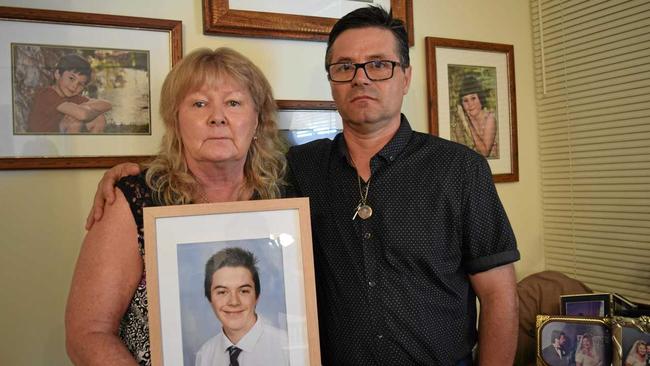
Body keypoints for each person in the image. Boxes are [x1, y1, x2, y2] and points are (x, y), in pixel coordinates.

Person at [85, 6, 519, 365]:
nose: (361, 78)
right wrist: (130, 172)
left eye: (380, 65)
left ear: (405, 77)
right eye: (345, 67)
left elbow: (499, 296)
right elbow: (216, 161)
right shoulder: (298, 170)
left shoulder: (459, 169)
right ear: (331, 80)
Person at [65, 47, 286, 366]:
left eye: (234, 102)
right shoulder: (134, 199)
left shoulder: (286, 195)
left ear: (257, 121)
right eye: (199, 103)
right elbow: (87, 334)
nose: (217, 117)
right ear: (175, 120)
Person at [196, 247, 288, 366]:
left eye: (243, 291)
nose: (234, 302)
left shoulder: (286, 347)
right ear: (210, 299)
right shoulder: (204, 355)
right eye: (222, 292)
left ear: (257, 296)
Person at [26, 53, 111, 133]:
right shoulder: (47, 94)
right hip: (39, 141)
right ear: (57, 74)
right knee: (75, 120)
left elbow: (107, 104)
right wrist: (88, 111)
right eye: (71, 78)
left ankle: (90, 147)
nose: (74, 86)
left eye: (80, 84)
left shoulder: (72, 97)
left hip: (58, 137)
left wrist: (84, 108)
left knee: (99, 119)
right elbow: (82, 115)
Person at [451, 74, 498, 158]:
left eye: (473, 98)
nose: (470, 104)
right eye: (465, 100)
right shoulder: (460, 121)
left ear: (480, 98)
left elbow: (484, 153)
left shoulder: (489, 118)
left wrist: (467, 123)